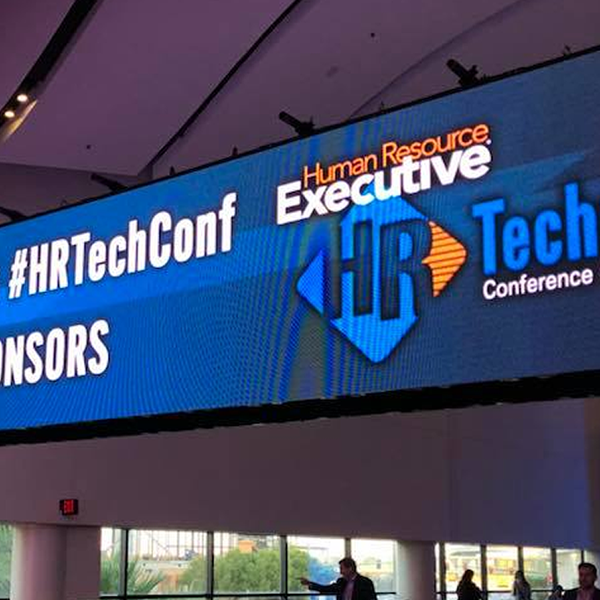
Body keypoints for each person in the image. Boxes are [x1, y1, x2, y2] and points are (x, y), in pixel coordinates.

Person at [299, 557, 377, 600]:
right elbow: (326, 588)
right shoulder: (341, 581)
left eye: (342, 569)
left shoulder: (365, 582)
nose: (340, 572)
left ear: (350, 568)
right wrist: (309, 583)